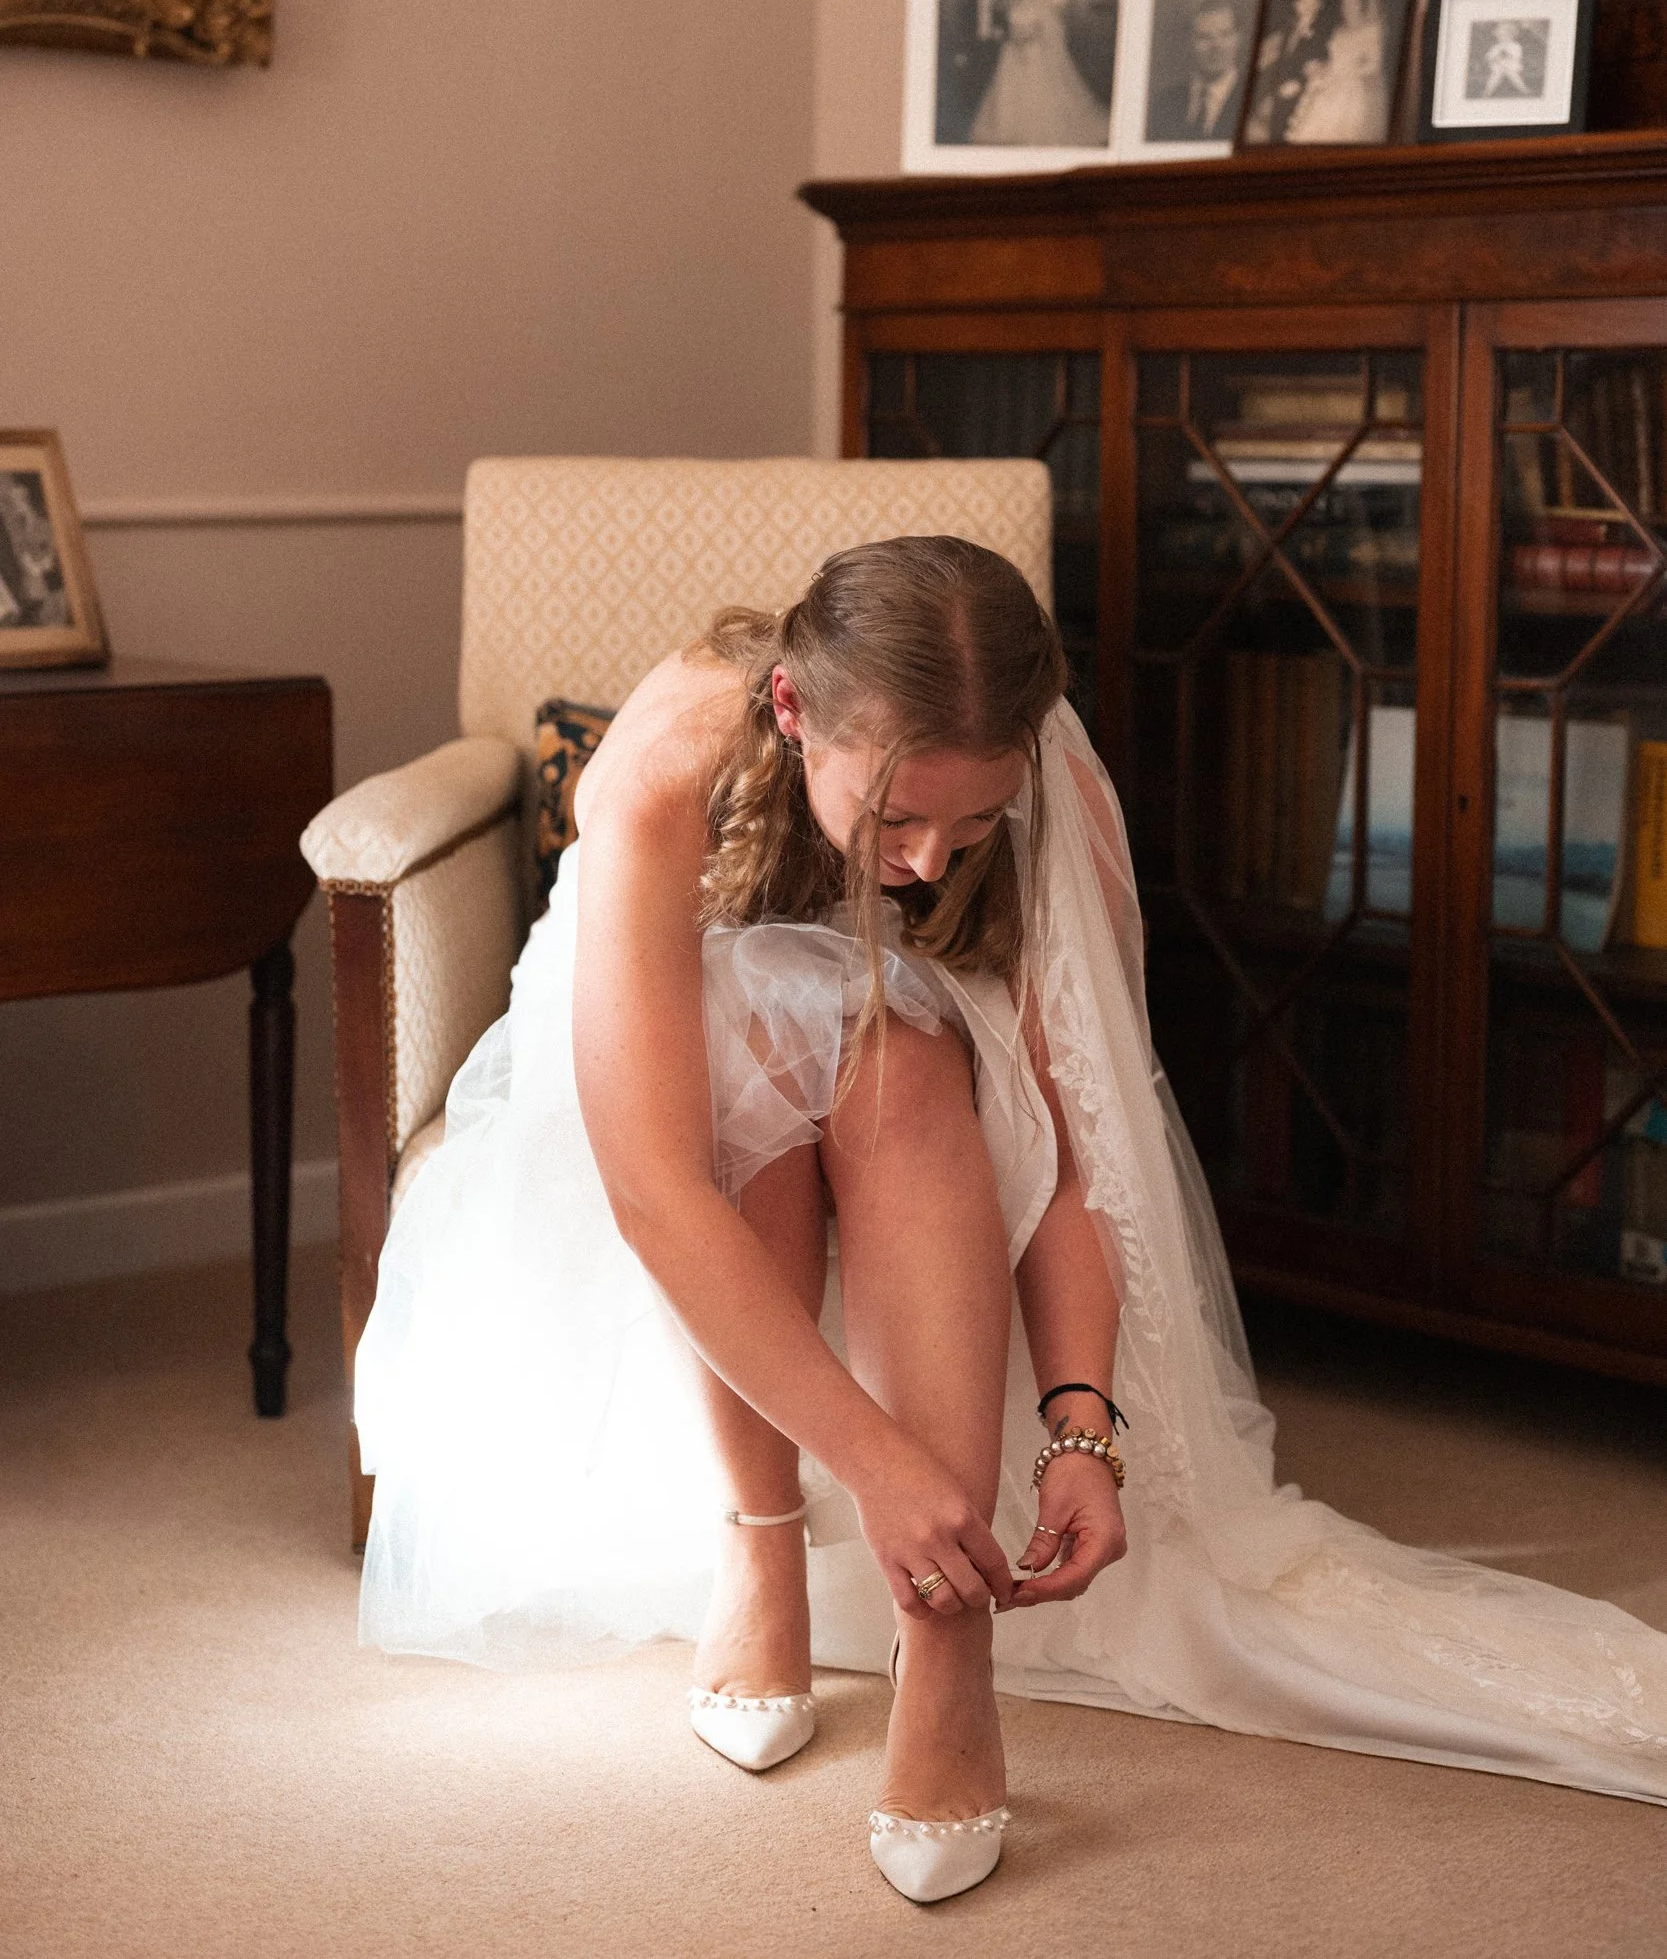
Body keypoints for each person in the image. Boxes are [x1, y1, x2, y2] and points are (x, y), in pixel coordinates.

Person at [357, 537, 1667, 1908]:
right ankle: (759, 1537)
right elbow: (651, 1188)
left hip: (923, 1130)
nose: (924, 866)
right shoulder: (660, 771)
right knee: (773, 1033)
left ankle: (946, 1637)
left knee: (891, 1052)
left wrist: (1079, 1425)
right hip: (658, 1100)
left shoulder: (1042, 775)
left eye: (968, 829)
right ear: (796, 714)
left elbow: (1079, 1134)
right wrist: (872, 1462)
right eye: (894, 823)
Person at [967, 0, 1109, 147]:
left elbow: (1051, 32)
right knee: (1008, 93)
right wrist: (1012, 37)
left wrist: (1026, 38)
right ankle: (1008, 129)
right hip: (1011, 53)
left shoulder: (1041, 6)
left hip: (1034, 54)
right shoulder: (1013, 3)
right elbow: (1008, 26)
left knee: (1038, 90)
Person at [1284, 0, 1390, 143]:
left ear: (1361, 5)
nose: (1347, 7)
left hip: (1349, 89)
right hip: (1328, 84)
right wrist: (1322, 68)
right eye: (1344, 3)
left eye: (1352, 3)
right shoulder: (1339, 31)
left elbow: (1374, 66)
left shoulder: (1371, 32)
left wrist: (1348, 72)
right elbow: (1332, 58)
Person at [1240, 0, 1330, 144]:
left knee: (1286, 135)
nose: (1308, 5)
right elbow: (1277, 59)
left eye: (1313, 1)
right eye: (1304, 1)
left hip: (1299, 92)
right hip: (1277, 87)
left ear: (1319, 5)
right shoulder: (1287, 28)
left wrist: (1299, 83)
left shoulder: (1322, 35)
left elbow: (1320, 67)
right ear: (1297, 4)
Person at [1147, 0, 1245, 143]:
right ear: (1188, 42)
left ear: (1238, 38)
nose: (1216, 46)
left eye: (1225, 35)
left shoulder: (1255, 99)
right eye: (1204, 37)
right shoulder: (1164, 105)